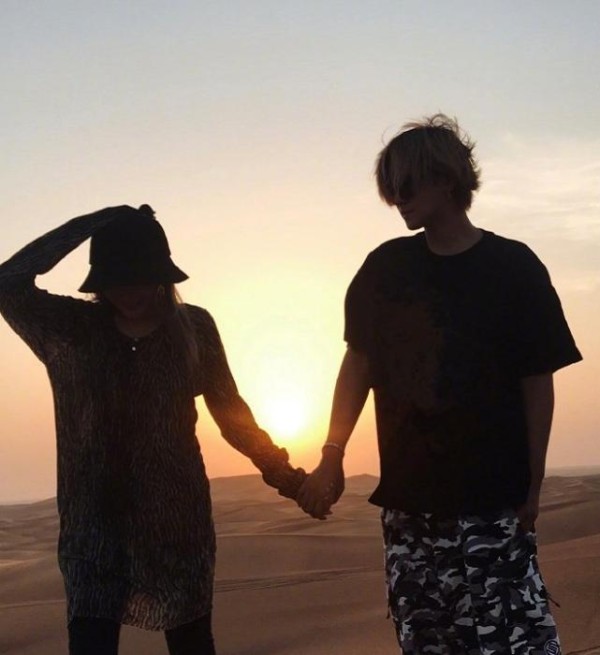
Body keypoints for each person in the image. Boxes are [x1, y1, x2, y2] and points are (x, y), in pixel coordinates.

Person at [297, 114, 582, 654]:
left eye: (406, 185)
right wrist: (332, 453)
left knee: (516, 639)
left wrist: (534, 482)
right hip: (411, 503)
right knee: (428, 641)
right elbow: (358, 364)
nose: (397, 200)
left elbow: (537, 380)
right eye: (390, 188)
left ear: (447, 180)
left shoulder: (514, 268)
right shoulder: (384, 269)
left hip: (493, 498)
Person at [0, 204, 306, 655]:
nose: (130, 291)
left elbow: (232, 416)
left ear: (162, 275)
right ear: (99, 281)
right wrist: (95, 221)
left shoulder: (194, 328)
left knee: (192, 646)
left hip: (177, 529)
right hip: (92, 530)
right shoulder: (70, 329)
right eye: (117, 279)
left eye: (141, 277)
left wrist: (288, 479)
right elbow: (7, 283)